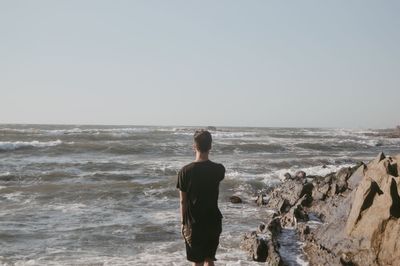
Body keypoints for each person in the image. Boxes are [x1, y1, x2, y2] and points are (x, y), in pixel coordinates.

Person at [176, 129, 225, 266]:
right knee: (209, 260)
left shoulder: (184, 172)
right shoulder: (219, 169)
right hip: (213, 221)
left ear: (194, 146)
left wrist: (182, 223)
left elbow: (183, 201)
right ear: (210, 147)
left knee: (197, 262)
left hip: (194, 223)